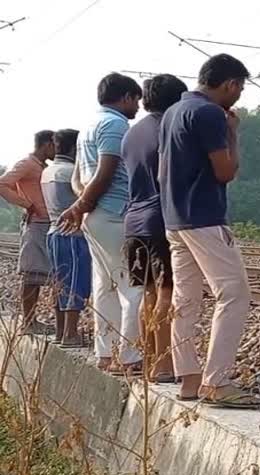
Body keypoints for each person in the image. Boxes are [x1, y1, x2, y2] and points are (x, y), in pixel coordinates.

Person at [159, 54, 259, 407]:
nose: (239, 95)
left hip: (174, 218)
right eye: (240, 88)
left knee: (185, 300)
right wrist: (233, 134)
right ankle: (216, 381)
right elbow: (225, 171)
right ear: (230, 83)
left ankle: (188, 379)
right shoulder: (210, 114)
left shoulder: (173, 112)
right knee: (233, 294)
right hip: (204, 217)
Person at [58, 73, 144, 373]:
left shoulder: (87, 128)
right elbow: (106, 170)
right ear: (125, 97)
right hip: (114, 213)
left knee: (105, 286)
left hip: (96, 216)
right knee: (133, 287)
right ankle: (129, 357)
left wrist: (82, 206)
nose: (138, 108)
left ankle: (105, 355)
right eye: (136, 100)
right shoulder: (116, 124)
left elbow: (78, 176)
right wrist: (81, 205)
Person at [122, 74, 188, 384]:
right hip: (160, 218)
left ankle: (149, 361)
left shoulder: (132, 133)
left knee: (147, 292)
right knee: (166, 292)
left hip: (134, 220)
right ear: (178, 99)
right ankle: (164, 365)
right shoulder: (169, 128)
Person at [0, 130, 55, 333]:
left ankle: (32, 321)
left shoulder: (41, 167)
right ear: (47, 145)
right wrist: (27, 205)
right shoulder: (27, 164)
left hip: (45, 223)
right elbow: (3, 183)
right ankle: (28, 323)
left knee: (40, 274)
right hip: (36, 224)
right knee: (32, 274)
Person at [40, 129, 91, 346]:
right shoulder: (71, 172)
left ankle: (61, 332)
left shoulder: (48, 172)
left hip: (53, 232)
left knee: (59, 282)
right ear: (73, 148)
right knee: (75, 282)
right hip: (72, 234)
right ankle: (71, 333)